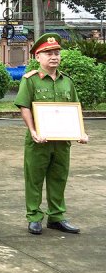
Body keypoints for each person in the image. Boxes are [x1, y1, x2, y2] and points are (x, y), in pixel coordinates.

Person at [15, 33, 89, 235]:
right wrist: (32, 131)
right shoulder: (30, 80)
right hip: (39, 140)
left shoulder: (67, 82)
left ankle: (56, 217)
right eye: (48, 53)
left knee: (59, 178)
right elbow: (24, 107)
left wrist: (80, 132)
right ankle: (34, 217)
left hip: (62, 141)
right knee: (34, 178)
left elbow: (75, 109)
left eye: (56, 52)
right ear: (37, 57)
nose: (54, 56)